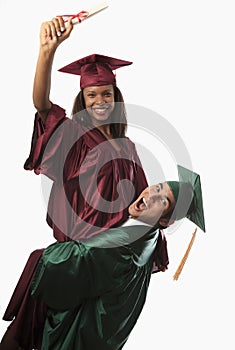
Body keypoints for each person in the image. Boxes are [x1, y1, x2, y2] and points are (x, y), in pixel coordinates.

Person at [0, 16, 149, 350]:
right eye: (91, 95)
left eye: (106, 93)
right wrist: (46, 52)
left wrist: (170, 204)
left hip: (109, 266)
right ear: (83, 100)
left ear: (116, 97)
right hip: (75, 262)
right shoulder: (72, 137)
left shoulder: (129, 151)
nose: (100, 101)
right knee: (56, 335)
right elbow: (42, 105)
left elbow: (143, 208)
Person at [0, 165, 205, 350]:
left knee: (19, 333)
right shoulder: (152, 238)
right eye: (158, 187)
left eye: (163, 200)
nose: (150, 196)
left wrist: (41, 257)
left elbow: (69, 262)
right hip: (102, 336)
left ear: (166, 220)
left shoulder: (124, 245)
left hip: (82, 332)